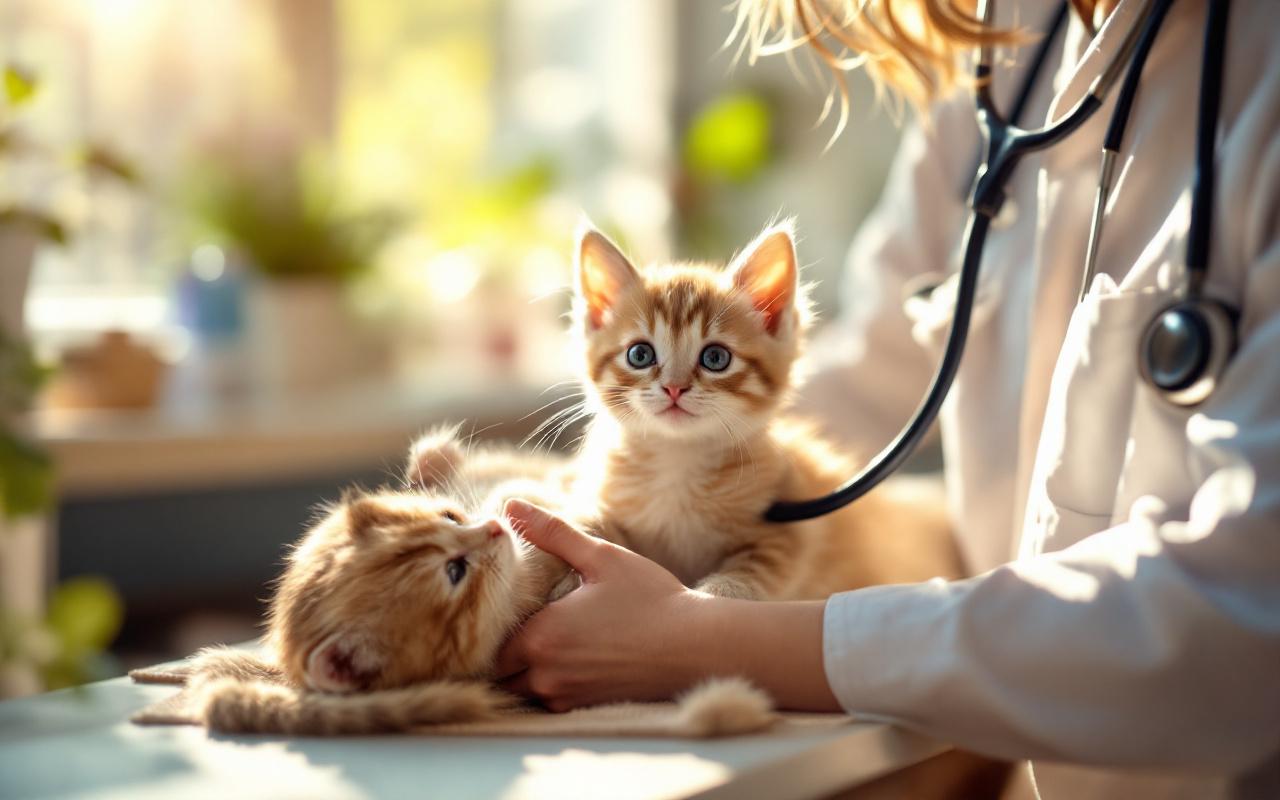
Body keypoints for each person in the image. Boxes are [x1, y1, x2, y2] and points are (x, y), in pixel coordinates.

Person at [495, 0, 1280, 796]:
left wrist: (706, 637)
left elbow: (1245, 616)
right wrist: (564, 507)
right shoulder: (1002, 59)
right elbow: (867, 379)